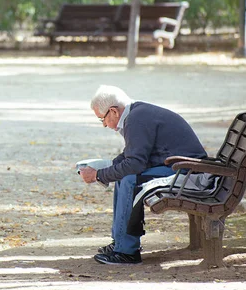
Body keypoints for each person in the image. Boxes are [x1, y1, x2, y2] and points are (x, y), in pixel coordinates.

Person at [79, 85, 207, 265]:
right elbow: (133, 155)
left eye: (103, 120)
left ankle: (127, 252)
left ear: (113, 111)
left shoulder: (136, 119)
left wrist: (98, 176)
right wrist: (107, 168)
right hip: (181, 167)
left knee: (130, 179)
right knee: (124, 176)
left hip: (188, 172)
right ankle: (120, 242)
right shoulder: (137, 114)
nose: (105, 125)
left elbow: (135, 164)